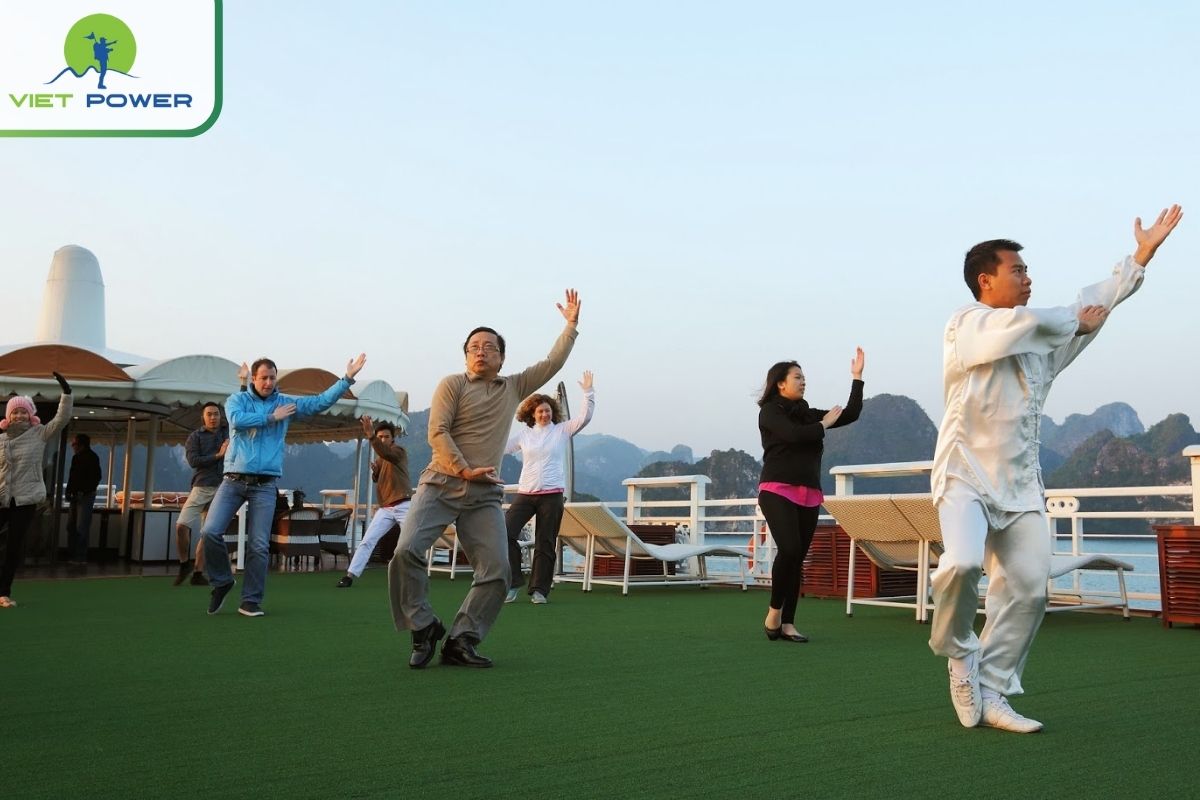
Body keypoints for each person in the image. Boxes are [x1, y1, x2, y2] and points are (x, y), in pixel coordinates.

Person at [930, 204, 1183, 734]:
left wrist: (1140, 255)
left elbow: (1088, 307)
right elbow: (1031, 324)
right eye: (1017, 270)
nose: (1027, 278)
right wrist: (1074, 320)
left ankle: (994, 689)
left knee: (1029, 588)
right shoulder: (967, 325)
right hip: (964, 476)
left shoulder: (1044, 345)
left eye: (1027, 270)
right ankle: (959, 655)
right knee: (958, 565)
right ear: (985, 280)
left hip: (1021, 484)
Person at [389, 289, 581, 669]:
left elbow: (552, 363)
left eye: (489, 347)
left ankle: (462, 639)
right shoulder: (452, 385)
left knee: (497, 570)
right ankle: (423, 624)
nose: (481, 351)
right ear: (465, 356)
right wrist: (462, 468)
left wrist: (571, 326)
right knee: (406, 551)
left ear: (501, 357)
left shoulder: (512, 388)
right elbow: (437, 432)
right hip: (440, 483)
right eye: (474, 347)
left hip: (484, 497)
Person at [201, 354, 367, 618]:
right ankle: (222, 580)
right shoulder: (237, 400)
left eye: (272, 377)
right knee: (210, 531)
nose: (268, 382)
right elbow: (237, 421)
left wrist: (347, 378)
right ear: (252, 379)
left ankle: (250, 601)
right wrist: (271, 416)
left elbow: (319, 403)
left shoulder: (286, 403)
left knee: (258, 545)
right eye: (264, 378)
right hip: (233, 481)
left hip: (265, 485)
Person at [757, 349, 864, 643]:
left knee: (797, 559)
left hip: (808, 494)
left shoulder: (808, 414)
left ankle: (788, 623)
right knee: (789, 550)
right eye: (797, 377)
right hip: (777, 490)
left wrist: (857, 378)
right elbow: (793, 435)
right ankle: (774, 612)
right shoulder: (770, 412)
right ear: (780, 383)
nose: (803, 381)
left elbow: (851, 413)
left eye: (804, 377)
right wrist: (823, 425)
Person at [503, 370, 595, 604]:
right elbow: (500, 447)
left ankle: (539, 590)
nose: (544, 414)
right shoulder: (524, 436)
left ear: (552, 412)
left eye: (548, 410)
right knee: (505, 534)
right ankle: (513, 582)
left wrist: (588, 392)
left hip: (552, 495)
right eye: (540, 411)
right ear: (532, 414)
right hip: (526, 493)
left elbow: (584, 417)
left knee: (545, 542)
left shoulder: (561, 431)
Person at [0, 373, 73, 608]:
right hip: (1, 497)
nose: (19, 415)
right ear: (8, 415)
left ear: (31, 415)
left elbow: (61, 419)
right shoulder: (1, 440)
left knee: (13, 547)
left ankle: (3, 592)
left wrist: (66, 392)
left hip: (25, 499)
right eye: (15, 411)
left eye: (23, 411)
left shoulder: (40, 433)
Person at [336, 416, 411, 588]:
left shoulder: (399, 451)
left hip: (403, 504)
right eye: (380, 437)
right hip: (386, 507)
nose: (383, 439)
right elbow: (380, 478)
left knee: (409, 542)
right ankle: (350, 575)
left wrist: (371, 435)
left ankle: (413, 575)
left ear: (393, 438)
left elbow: (388, 454)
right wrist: (376, 472)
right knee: (367, 540)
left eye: (386, 436)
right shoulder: (380, 458)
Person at [173, 402, 229, 586]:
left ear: (221, 417)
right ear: (203, 417)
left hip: (223, 488)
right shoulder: (195, 437)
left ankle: (198, 572)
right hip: (202, 486)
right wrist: (217, 456)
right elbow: (193, 461)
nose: (213, 417)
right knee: (181, 525)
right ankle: (184, 564)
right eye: (209, 414)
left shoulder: (227, 433)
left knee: (208, 533)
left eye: (216, 414)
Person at [65, 433, 102, 566]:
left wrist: (81, 490)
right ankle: (75, 555)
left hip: (84, 495)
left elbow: (95, 477)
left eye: (74, 444)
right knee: (73, 526)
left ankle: (79, 556)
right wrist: (70, 491)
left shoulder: (90, 458)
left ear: (81, 445)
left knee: (80, 526)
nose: (72, 446)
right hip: (78, 494)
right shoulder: (79, 458)